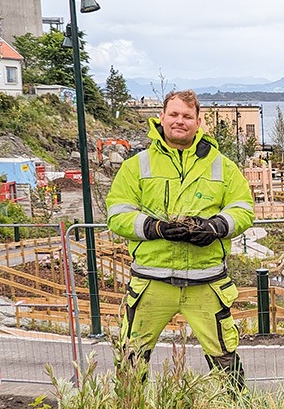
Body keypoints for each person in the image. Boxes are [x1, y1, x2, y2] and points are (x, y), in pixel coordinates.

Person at [105, 89, 255, 388]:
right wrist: (154, 228)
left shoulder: (222, 165)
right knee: (132, 357)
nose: (180, 121)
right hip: (151, 281)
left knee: (225, 358)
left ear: (199, 122)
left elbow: (243, 208)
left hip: (206, 282)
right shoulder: (137, 165)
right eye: (173, 114)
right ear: (161, 118)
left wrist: (216, 226)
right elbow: (117, 213)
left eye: (187, 116)